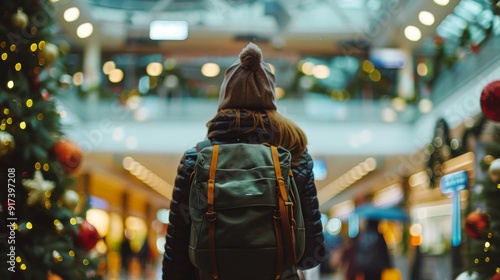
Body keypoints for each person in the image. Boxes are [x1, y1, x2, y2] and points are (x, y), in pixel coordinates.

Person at [162, 42, 325, 279]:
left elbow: (177, 256)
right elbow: (312, 251)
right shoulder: (294, 156)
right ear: (271, 99)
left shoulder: (196, 158)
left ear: (225, 98)